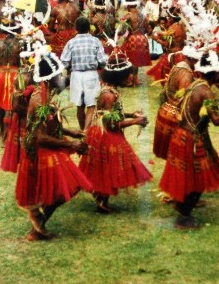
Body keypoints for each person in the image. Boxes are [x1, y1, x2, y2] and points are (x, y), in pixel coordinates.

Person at [159, 51, 219, 229]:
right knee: (198, 180)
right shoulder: (205, 91)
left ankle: (181, 207)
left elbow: (203, 109)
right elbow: (217, 120)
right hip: (190, 139)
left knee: (194, 177)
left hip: (182, 136)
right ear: (216, 73)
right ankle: (183, 217)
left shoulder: (196, 84)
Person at [17, 44, 91, 241]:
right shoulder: (40, 100)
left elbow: (49, 125)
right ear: (50, 78)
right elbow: (40, 137)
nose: (62, 79)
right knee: (65, 189)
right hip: (41, 150)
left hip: (48, 145)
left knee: (65, 189)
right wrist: (70, 145)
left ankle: (38, 223)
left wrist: (70, 132)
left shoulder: (46, 95)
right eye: (60, 75)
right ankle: (37, 224)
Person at [79, 49, 151, 213]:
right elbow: (111, 122)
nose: (131, 78)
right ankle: (101, 202)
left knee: (105, 166)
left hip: (102, 131)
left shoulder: (109, 90)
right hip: (105, 134)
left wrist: (131, 114)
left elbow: (112, 114)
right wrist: (135, 121)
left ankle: (101, 200)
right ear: (120, 77)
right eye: (128, 75)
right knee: (109, 165)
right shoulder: (109, 95)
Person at [60, 17, 107, 130]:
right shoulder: (95, 41)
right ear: (89, 28)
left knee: (80, 107)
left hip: (76, 76)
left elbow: (64, 61)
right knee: (91, 106)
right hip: (91, 75)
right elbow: (102, 61)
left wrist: (71, 66)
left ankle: (82, 131)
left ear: (76, 28)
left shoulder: (71, 42)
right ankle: (86, 131)